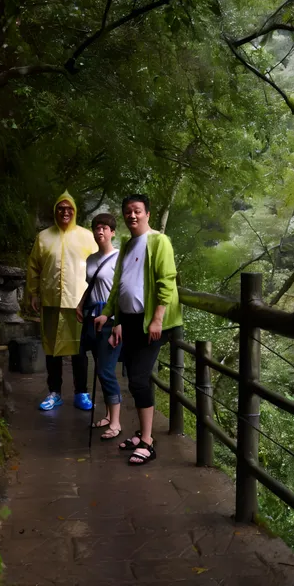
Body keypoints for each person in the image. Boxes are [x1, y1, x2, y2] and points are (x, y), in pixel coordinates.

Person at [95, 194, 182, 466]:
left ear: (147, 214)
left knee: (139, 379)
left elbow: (166, 281)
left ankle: (147, 443)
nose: (132, 216)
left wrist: (157, 319)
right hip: (130, 321)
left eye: (137, 211)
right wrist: (107, 313)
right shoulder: (128, 244)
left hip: (151, 323)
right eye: (128, 212)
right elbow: (118, 285)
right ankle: (143, 435)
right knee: (134, 376)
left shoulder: (158, 241)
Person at [27, 190, 97, 411]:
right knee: (51, 349)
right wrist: (34, 293)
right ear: (55, 211)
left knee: (79, 349)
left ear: (74, 212)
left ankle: (81, 393)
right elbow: (33, 268)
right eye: (61, 208)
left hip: (78, 301)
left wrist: (96, 297)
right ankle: (54, 392)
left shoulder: (87, 236)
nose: (65, 212)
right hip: (51, 301)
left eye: (69, 209)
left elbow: (98, 267)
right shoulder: (44, 237)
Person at [76, 213, 122, 440]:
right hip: (92, 317)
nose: (99, 232)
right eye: (96, 228)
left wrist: (119, 323)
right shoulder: (91, 259)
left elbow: (122, 293)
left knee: (105, 370)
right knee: (99, 368)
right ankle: (106, 415)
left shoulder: (119, 259)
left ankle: (116, 422)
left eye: (104, 228)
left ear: (113, 232)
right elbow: (91, 285)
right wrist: (80, 304)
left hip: (111, 320)